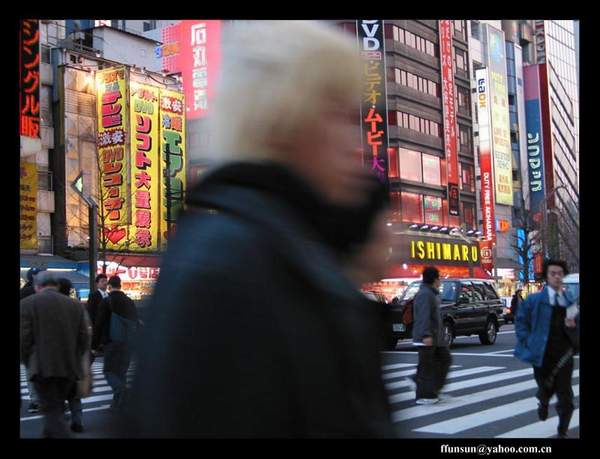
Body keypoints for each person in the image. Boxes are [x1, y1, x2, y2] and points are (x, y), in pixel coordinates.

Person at [121, 21, 395, 438]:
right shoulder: (230, 266)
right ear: (283, 117)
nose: (355, 142)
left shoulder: (272, 247)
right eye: (337, 113)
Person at [20, 272, 91, 438]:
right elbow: (83, 338)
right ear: (56, 286)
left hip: (41, 367)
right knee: (55, 408)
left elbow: (23, 339)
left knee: (51, 411)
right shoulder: (75, 305)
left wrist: (27, 361)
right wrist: (74, 357)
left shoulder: (27, 304)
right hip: (69, 367)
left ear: (37, 286)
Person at [515, 259, 579, 438]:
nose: (557, 277)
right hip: (541, 353)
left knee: (565, 396)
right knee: (546, 387)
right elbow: (521, 321)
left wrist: (572, 327)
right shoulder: (534, 300)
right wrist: (526, 340)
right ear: (546, 276)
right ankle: (543, 400)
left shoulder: (569, 300)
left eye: (560, 273)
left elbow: (576, 325)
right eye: (553, 273)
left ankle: (562, 431)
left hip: (564, 354)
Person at [92, 275, 138, 410]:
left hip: (112, 342)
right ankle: (118, 404)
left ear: (109, 287)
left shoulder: (107, 301)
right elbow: (135, 321)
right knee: (121, 372)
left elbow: (98, 325)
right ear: (121, 285)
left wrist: (94, 346)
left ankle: (121, 391)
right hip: (128, 343)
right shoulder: (129, 301)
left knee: (109, 371)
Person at [411, 267, 452, 405]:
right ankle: (424, 394)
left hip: (434, 337)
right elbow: (423, 316)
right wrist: (426, 335)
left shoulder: (431, 293)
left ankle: (430, 389)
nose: (440, 280)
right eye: (439, 277)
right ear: (435, 279)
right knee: (427, 366)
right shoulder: (425, 294)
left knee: (441, 361)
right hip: (426, 337)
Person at [57, 277, 92, 433]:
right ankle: (77, 422)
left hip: (55, 358)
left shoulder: (52, 306)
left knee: (56, 393)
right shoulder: (77, 306)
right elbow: (85, 333)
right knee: (74, 394)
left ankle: (57, 423)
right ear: (70, 290)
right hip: (74, 357)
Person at [20, 267, 44, 412]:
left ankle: (35, 400)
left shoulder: (22, 293)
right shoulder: (41, 292)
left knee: (30, 371)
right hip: (43, 337)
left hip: (28, 338)